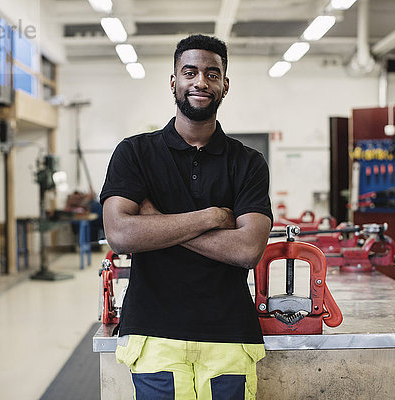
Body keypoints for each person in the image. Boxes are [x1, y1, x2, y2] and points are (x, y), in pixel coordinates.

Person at [100, 34, 273, 400]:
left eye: (212, 74)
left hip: (228, 335)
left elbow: (247, 249)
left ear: (224, 85)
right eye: (190, 72)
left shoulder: (248, 162)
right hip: (153, 331)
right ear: (174, 81)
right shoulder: (135, 153)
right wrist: (211, 216)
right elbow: (120, 233)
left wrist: (156, 220)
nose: (200, 82)